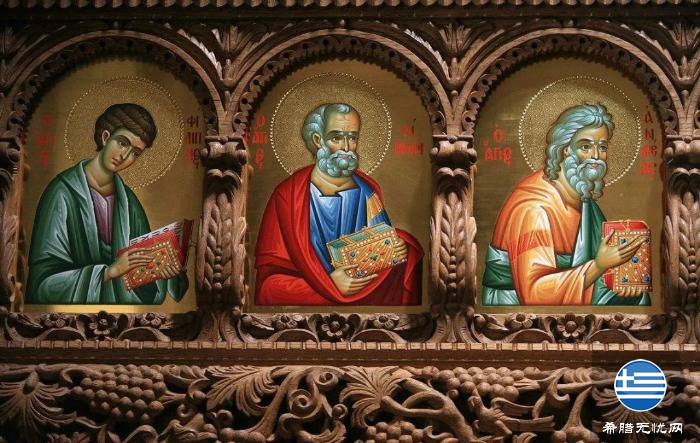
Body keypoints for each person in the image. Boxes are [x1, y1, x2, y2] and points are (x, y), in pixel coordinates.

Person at [482, 103, 650, 305]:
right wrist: (599, 265)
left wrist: (626, 278)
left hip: (570, 295)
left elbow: (599, 261)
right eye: (585, 146)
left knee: (637, 297)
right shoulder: (533, 208)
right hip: (518, 310)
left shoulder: (583, 200)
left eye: (602, 147)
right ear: (563, 150)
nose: (596, 156)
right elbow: (534, 293)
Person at [255, 103, 423, 305]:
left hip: (364, 304)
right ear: (318, 140)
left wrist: (398, 249)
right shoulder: (288, 196)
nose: (346, 147)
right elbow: (268, 285)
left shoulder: (368, 192)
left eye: (352, 138)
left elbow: (381, 252)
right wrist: (330, 284)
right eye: (336, 138)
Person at [26, 103, 188, 304]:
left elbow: (140, 276)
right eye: (122, 143)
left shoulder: (129, 203)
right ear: (105, 137)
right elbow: (41, 286)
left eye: (135, 153)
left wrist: (164, 271)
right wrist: (108, 272)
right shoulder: (62, 193)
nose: (124, 156)